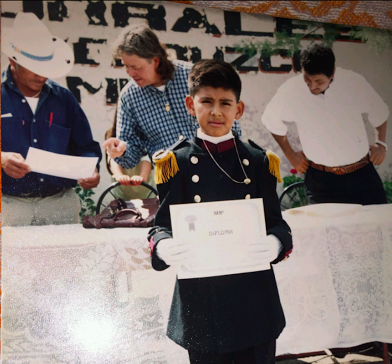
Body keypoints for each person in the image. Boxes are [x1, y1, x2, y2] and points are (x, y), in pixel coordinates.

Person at [148, 59, 292, 364]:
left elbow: (279, 223)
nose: (215, 111)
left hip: (251, 302)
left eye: (225, 103)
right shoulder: (174, 161)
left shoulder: (257, 160)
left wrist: (273, 244)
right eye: (206, 101)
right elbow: (159, 224)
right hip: (203, 305)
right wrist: (163, 245)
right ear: (191, 105)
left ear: (239, 107)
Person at [1, 12, 102, 226]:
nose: (42, 76)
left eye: (46, 68)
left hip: (60, 204)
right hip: (8, 206)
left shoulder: (64, 98)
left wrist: (91, 170)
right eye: (35, 68)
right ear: (12, 60)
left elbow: (86, 146)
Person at [262, 42, 389, 205]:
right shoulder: (291, 90)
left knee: (378, 226)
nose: (312, 86)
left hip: (361, 176)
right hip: (321, 182)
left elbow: (379, 111)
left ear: (332, 74)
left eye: (318, 81)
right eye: (307, 79)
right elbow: (270, 119)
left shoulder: (353, 83)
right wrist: (290, 154)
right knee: (325, 230)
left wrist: (381, 143)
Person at [102, 24, 240, 170]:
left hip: (217, 168)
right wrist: (121, 151)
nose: (130, 73)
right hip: (172, 181)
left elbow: (230, 120)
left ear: (155, 61)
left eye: (136, 67)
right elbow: (131, 156)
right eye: (126, 66)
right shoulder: (128, 97)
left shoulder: (194, 76)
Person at [104, 108, 155, 200]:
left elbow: (146, 159)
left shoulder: (144, 135)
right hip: (122, 192)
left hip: (146, 191)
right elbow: (113, 159)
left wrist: (142, 177)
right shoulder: (112, 135)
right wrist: (119, 175)